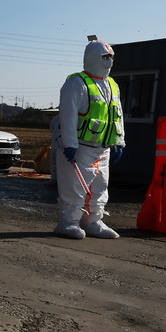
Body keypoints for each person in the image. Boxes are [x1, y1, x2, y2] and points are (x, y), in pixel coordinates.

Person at [53, 40, 125, 239]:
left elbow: (118, 115)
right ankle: (68, 222)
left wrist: (119, 141)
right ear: (92, 58)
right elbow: (68, 115)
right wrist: (70, 144)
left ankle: (93, 221)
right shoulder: (77, 82)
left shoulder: (112, 85)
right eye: (105, 57)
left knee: (100, 187)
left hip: (103, 148)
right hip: (79, 148)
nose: (109, 62)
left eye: (111, 57)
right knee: (74, 187)